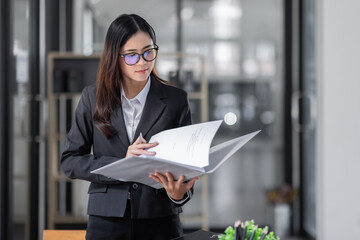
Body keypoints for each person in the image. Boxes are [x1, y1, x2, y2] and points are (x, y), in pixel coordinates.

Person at [61, 13, 198, 240]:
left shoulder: (176, 100)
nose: (143, 62)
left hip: (160, 219)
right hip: (106, 220)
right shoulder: (92, 98)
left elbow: (186, 166)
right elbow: (70, 161)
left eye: (148, 52)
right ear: (115, 56)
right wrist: (122, 165)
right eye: (132, 56)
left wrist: (179, 194)